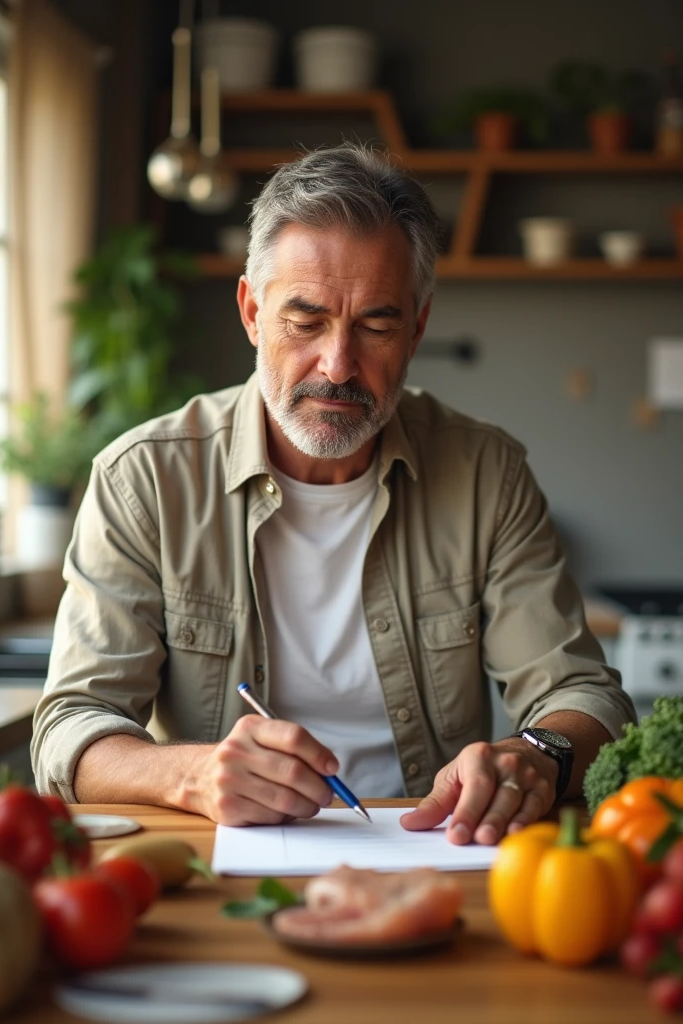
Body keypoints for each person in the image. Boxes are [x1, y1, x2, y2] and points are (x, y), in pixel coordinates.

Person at [31, 143, 635, 847]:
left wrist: (535, 756)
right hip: (215, 861)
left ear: (417, 326)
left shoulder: (485, 473)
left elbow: (584, 696)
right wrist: (191, 775)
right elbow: (72, 726)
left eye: (376, 324)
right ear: (253, 312)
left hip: (436, 852)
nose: (339, 365)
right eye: (305, 319)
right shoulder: (143, 479)